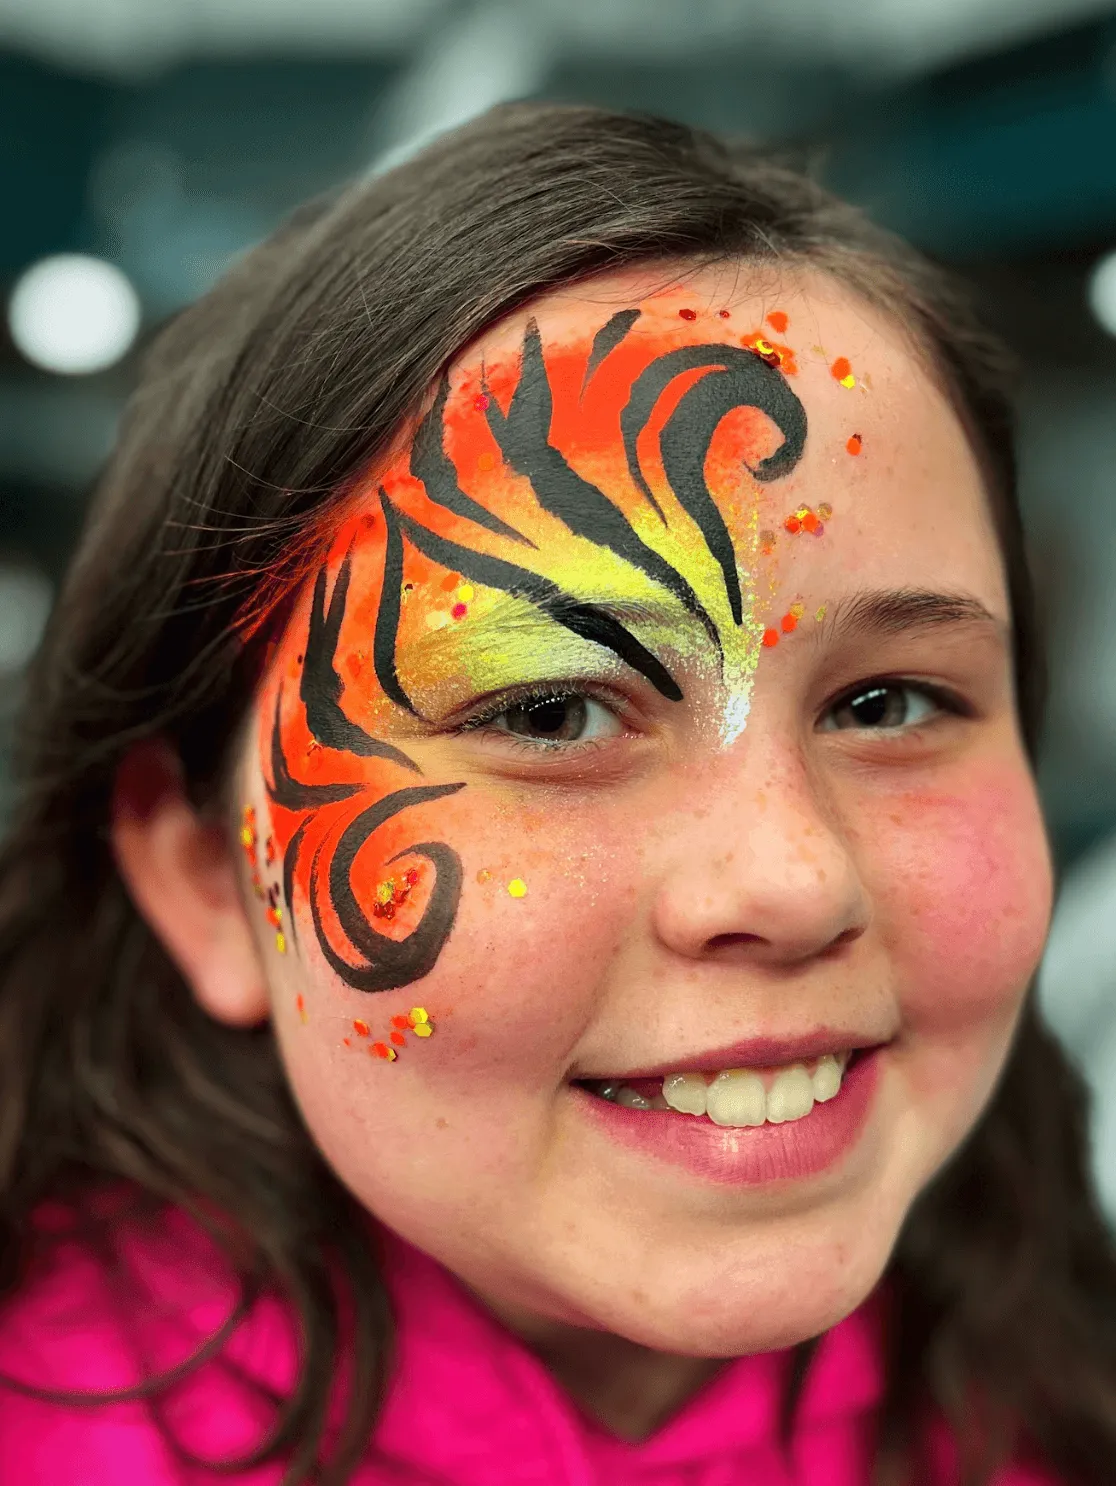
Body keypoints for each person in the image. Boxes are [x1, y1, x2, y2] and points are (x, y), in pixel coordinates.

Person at [0, 102, 1111, 1486]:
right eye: (549, 711)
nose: (790, 876)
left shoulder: (1065, 1382)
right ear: (206, 874)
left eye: (888, 703)